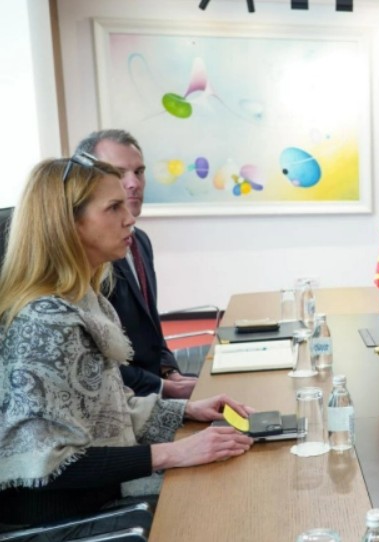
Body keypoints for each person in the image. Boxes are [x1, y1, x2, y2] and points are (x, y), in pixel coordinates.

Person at [0, 156, 254, 530]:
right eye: (113, 207)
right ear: (68, 222)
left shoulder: (84, 301)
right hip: (63, 521)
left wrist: (185, 411)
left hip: (100, 496)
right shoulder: (44, 322)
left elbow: (104, 413)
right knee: (227, 510)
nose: (130, 218)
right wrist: (172, 452)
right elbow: (47, 463)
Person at [75, 129, 196, 399]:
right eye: (119, 173)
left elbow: (151, 330)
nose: (133, 183)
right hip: (122, 399)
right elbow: (96, 362)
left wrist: (170, 372)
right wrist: (164, 388)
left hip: (153, 388)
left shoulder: (140, 240)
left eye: (139, 172)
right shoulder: (89, 256)